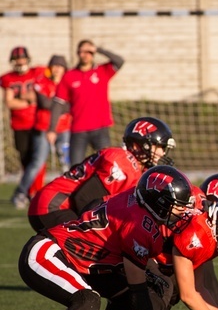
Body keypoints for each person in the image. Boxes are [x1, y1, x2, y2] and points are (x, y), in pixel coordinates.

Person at [18, 166, 193, 310]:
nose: (181, 211)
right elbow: (139, 289)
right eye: (177, 205)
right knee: (87, 300)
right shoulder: (138, 223)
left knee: (123, 296)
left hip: (79, 259)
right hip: (48, 252)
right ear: (158, 202)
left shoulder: (136, 200)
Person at [28, 116, 175, 232]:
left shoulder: (132, 166)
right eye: (159, 146)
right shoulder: (123, 162)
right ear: (138, 145)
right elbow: (84, 200)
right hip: (54, 206)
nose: (162, 153)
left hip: (60, 204)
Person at [48, 40, 124, 165]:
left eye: (88, 51)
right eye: (82, 51)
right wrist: (52, 129)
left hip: (101, 129)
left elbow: (119, 61)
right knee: (75, 169)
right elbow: (58, 103)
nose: (85, 54)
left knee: (107, 166)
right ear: (78, 53)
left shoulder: (102, 71)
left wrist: (99, 49)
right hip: (78, 130)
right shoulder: (69, 76)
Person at [1, 46, 46, 209]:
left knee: (39, 160)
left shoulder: (39, 72)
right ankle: (29, 191)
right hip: (19, 125)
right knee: (25, 160)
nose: (20, 62)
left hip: (38, 122)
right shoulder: (8, 78)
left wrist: (27, 98)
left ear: (28, 59)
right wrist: (29, 100)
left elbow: (45, 91)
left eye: (22, 58)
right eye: (17, 59)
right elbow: (10, 103)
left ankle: (36, 191)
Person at [33, 55, 71, 176]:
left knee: (66, 161)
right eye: (54, 66)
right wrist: (60, 104)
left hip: (65, 127)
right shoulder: (43, 82)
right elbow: (45, 103)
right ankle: (22, 192)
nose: (57, 69)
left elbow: (70, 105)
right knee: (38, 161)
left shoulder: (68, 84)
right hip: (45, 127)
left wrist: (57, 104)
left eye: (60, 66)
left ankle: (69, 189)